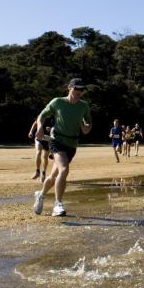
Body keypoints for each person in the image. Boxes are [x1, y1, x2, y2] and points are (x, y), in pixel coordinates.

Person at [33, 78, 93, 217]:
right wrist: (40, 127)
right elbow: (42, 115)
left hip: (72, 144)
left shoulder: (84, 106)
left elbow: (88, 126)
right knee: (64, 169)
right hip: (56, 141)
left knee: (54, 175)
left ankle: (40, 195)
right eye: (76, 89)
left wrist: (86, 127)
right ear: (69, 87)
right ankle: (57, 204)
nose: (79, 92)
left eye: (81, 89)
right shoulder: (58, 102)